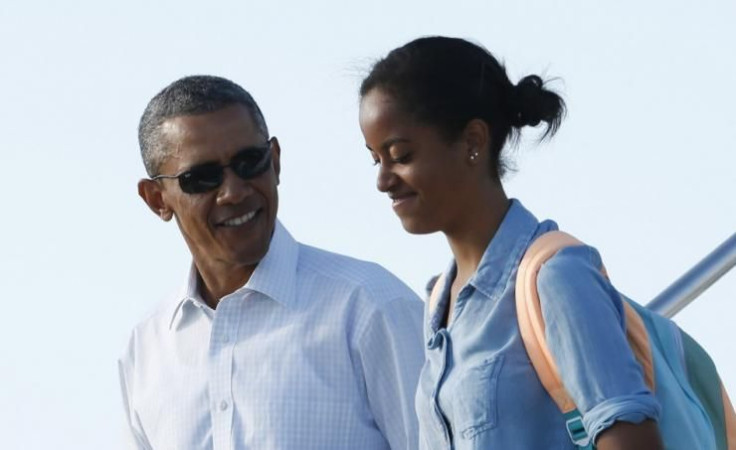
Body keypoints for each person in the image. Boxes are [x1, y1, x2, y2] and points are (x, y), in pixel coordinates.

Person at [358, 37, 665, 450]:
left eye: (401, 155)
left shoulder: (556, 277)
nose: (382, 180)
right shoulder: (437, 305)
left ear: (472, 141)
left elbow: (633, 440)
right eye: (375, 159)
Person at [119, 75, 424, 450]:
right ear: (156, 200)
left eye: (250, 162)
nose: (233, 191)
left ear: (275, 161)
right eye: (202, 178)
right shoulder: (147, 350)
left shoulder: (369, 308)